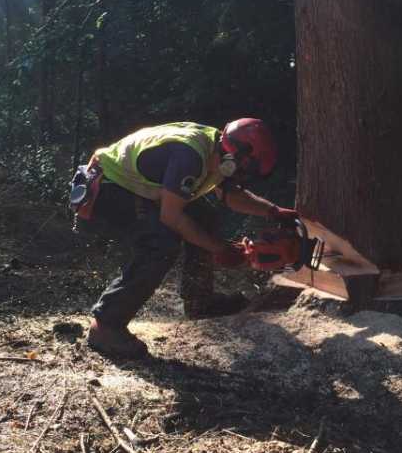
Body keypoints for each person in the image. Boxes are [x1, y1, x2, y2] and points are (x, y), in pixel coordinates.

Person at [70, 119, 297, 359]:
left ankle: (200, 300)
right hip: (107, 189)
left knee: (204, 217)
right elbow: (171, 216)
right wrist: (220, 248)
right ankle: (106, 325)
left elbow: (230, 195)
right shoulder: (190, 157)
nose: (240, 179)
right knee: (161, 242)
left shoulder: (217, 147)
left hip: (135, 187)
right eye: (241, 172)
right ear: (231, 160)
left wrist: (273, 211)